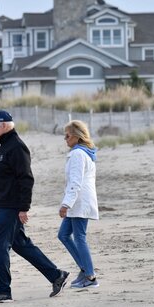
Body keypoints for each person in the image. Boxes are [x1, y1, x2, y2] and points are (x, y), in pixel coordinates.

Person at [0, 110, 69, 304]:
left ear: (3, 125)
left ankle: (4, 290)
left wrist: (23, 208)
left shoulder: (17, 147)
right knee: (22, 246)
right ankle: (56, 276)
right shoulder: (4, 148)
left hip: (12, 208)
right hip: (4, 205)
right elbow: (4, 180)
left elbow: (26, 179)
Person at [57, 120, 99, 289]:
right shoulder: (83, 152)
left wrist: (66, 204)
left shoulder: (78, 154)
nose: (65, 139)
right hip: (79, 202)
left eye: (67, 135)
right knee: (63, 235)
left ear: (75, 136)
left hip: (79, 202)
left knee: (79, 237)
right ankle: (85, 270)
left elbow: (76, 182)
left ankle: (90, 276)